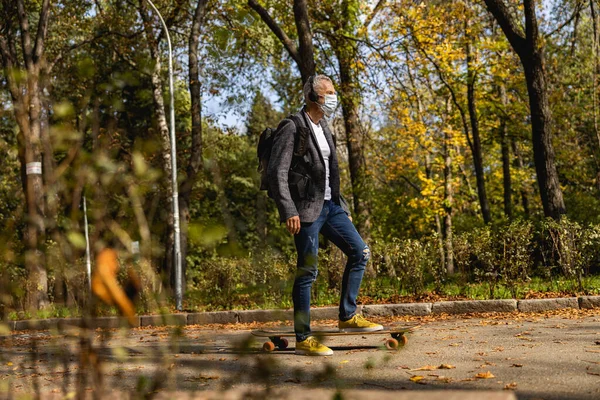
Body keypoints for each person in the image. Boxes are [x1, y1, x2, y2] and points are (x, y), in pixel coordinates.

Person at [267, 74, 382, 356]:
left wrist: (342, 206)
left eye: (333, 92)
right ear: (313, 97)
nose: (333, 97)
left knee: (360, 252)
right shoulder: (292, 127)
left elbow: (331, 173)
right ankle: (303, 338)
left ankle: (347, 316)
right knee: (308, 271)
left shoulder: (325, 126)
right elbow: (277, 172)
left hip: (331, 208)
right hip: (305, 210)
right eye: (328, 93)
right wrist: (288, 209)